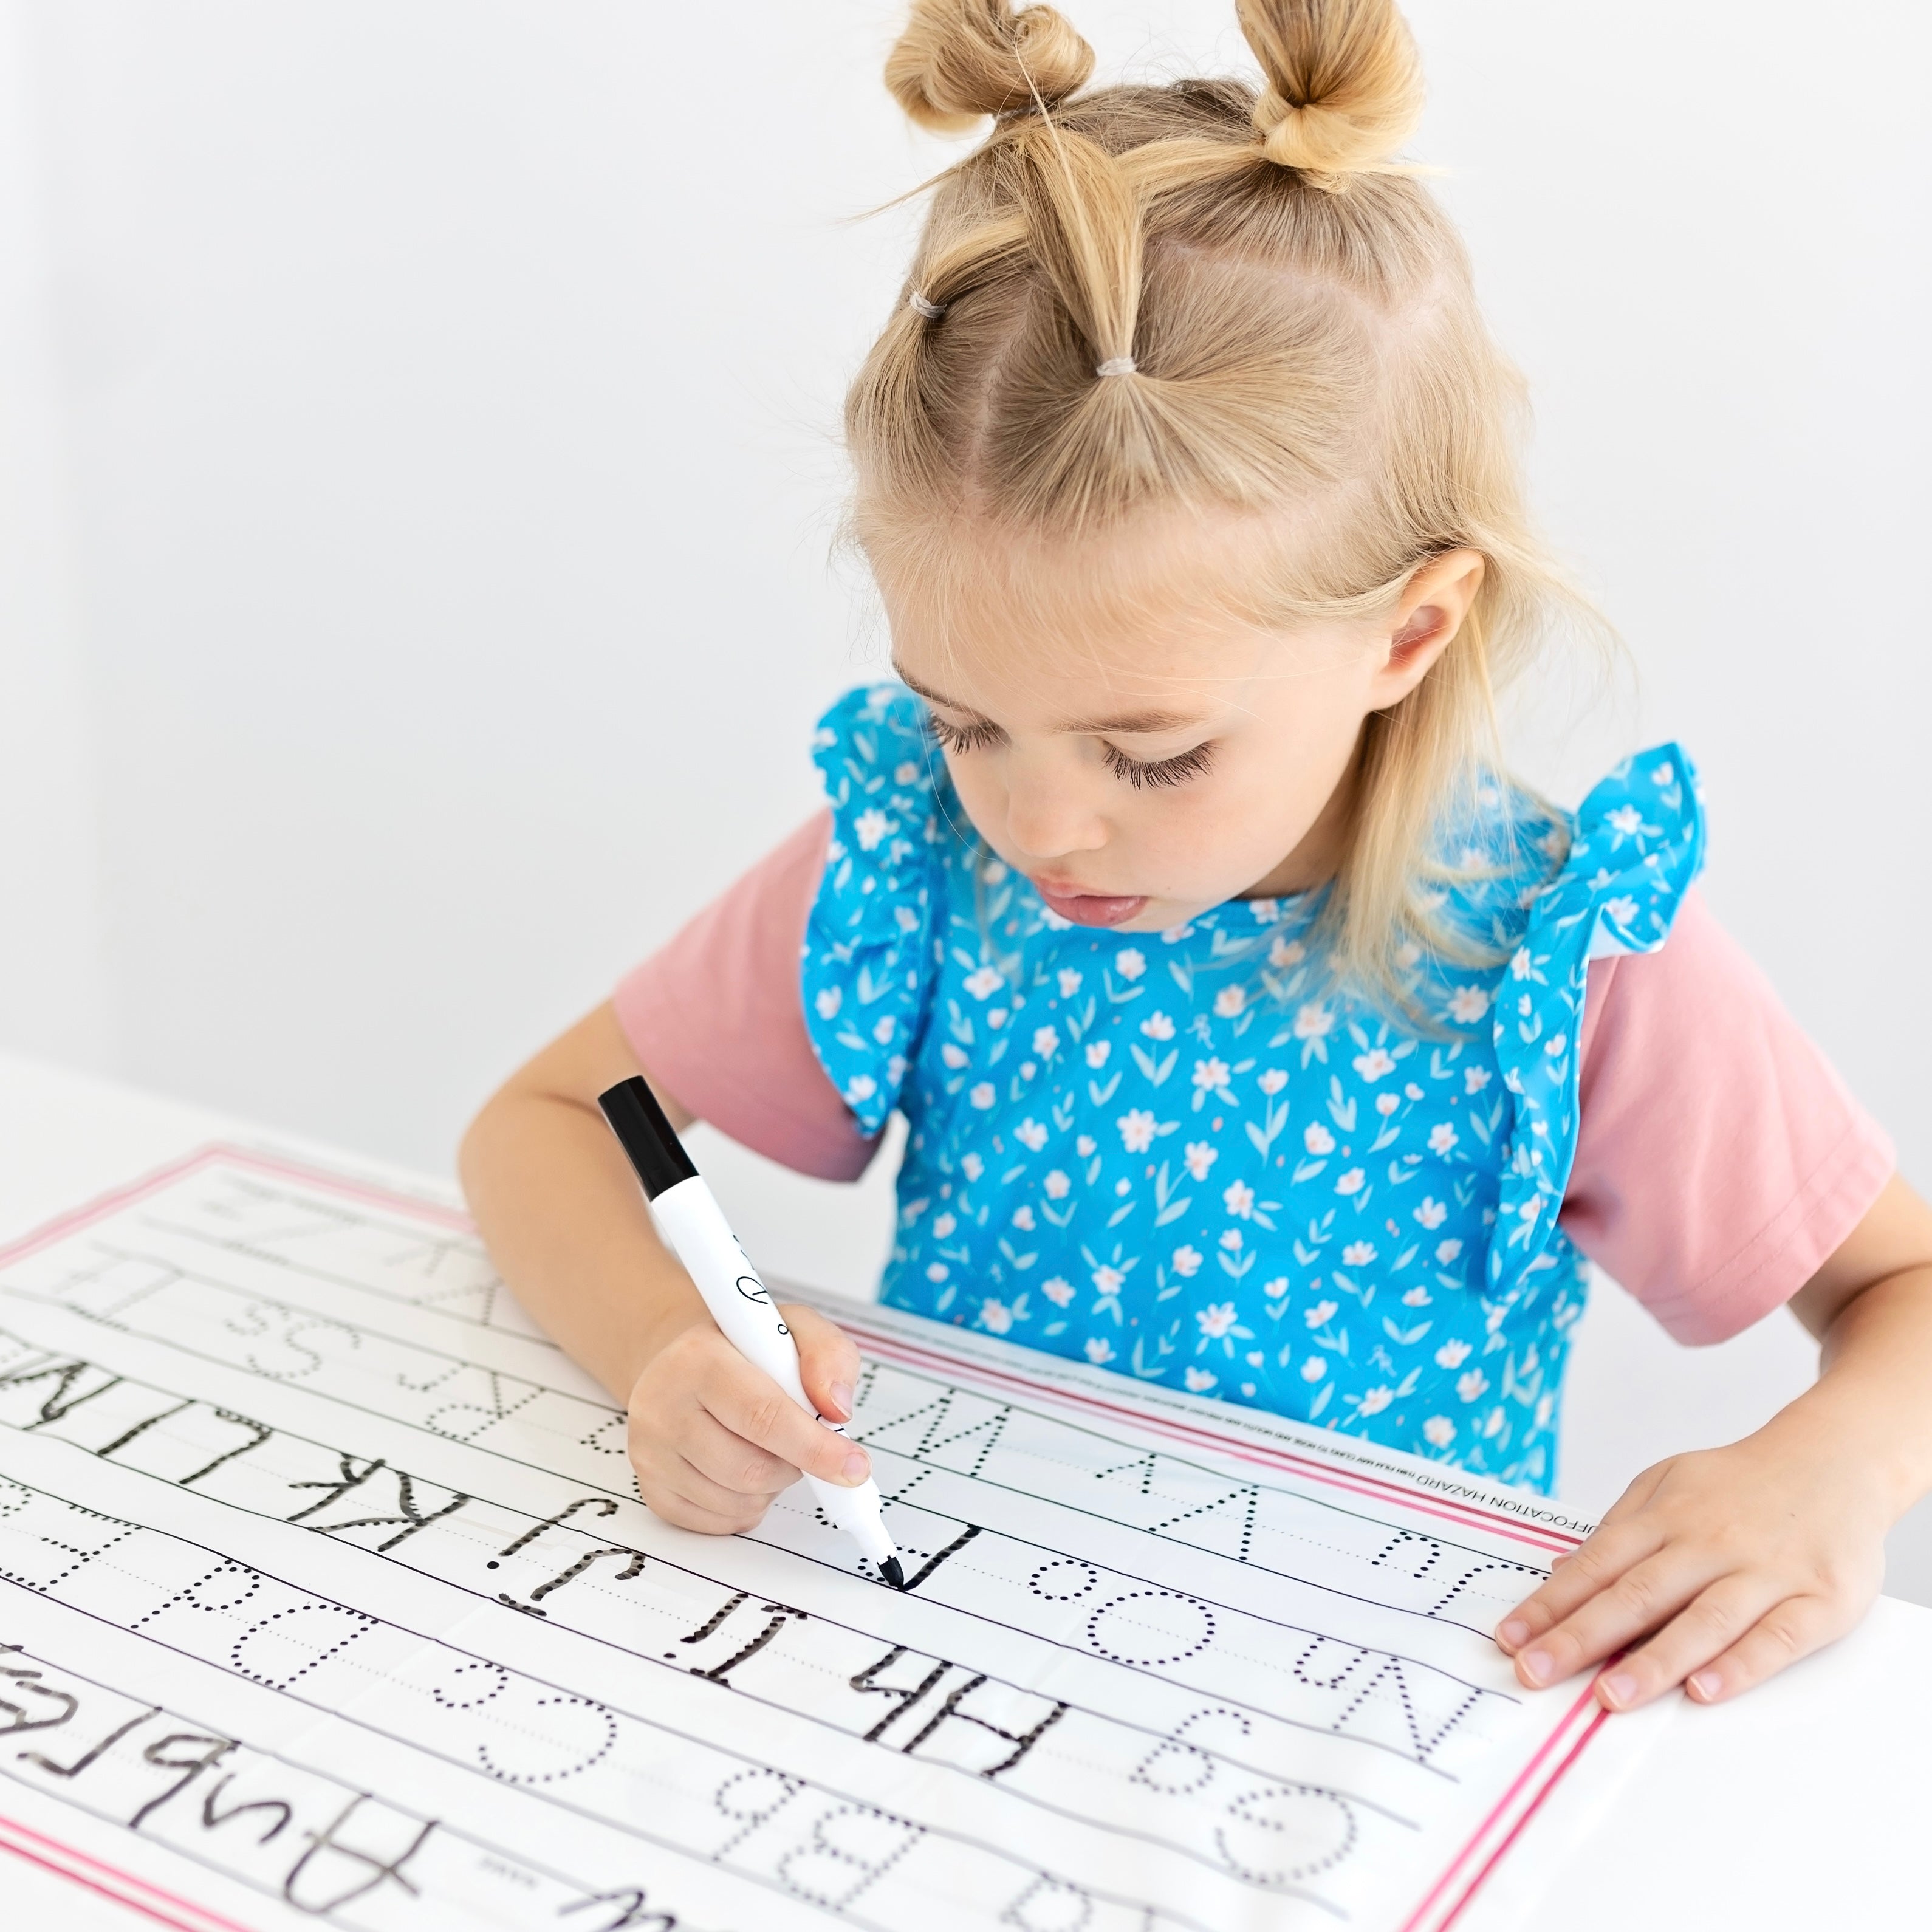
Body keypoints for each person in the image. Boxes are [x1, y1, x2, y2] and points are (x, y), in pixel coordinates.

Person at [461, 0, 1932, 1716]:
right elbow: (542, 1123)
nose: (1040, 823)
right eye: (958, 717)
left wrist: (1827, 1470)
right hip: (952, 1684)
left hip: (1364, 1724)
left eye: (1151, 753)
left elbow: (1901, 1291)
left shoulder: (1561, 952)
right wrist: (662, 1345)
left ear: (1406, 630)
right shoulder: (921, 857)